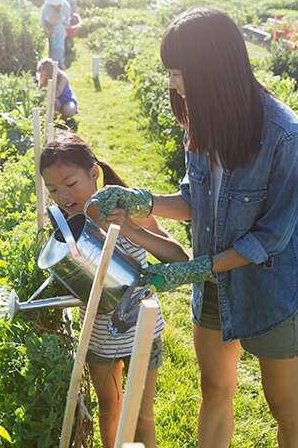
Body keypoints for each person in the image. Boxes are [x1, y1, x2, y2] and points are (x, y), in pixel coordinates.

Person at [91, 9, 298, 447]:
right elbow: (195, 202)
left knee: (283, 403)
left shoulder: (285, 136)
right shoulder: (201, 121)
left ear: (214, 70)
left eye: (179, 71)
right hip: (212, 285)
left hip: (270, 288)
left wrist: (194, 269)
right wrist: (143, 202)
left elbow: (272, 238)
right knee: (214, 391)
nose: (174, 83)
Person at [40, 132, 188, 448]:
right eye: (53, 190)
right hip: (97, 334)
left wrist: (132, 231)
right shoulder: (66, 229)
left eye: (70, 184)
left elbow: (178, 256)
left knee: (141, 415)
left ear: (94, 173)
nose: (63, 196)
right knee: (110, 410)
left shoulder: (125, 207)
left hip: (141, 329)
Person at [41, 0, 71, 68]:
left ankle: (59, 62)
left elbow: (67, 19)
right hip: (49, 25)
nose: (54, 6)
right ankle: (51, 63)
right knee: (51, 45)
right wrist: (46, 28)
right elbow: (42, 19)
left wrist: (65, 25)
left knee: (59, 45)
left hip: (60, 25)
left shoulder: (66, 6)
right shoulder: (47, 6)